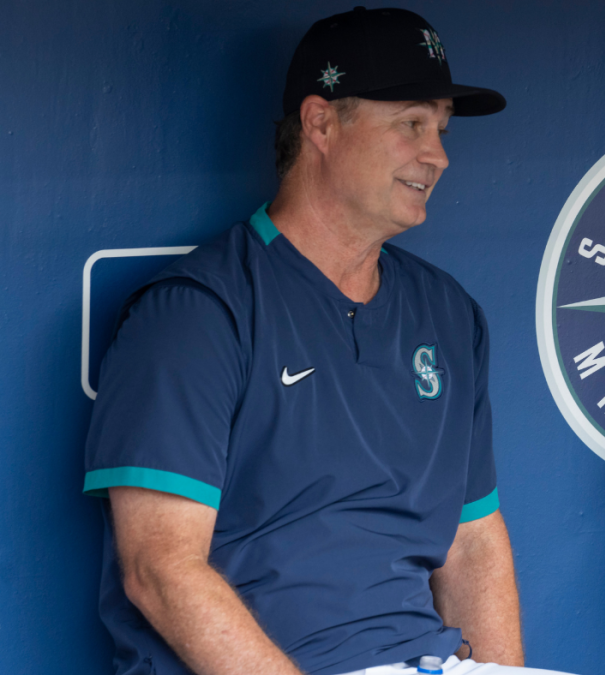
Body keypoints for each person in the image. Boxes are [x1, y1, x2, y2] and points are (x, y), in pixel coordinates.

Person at [82, 8, 568, 675]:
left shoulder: (448, 314)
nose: (438, 154)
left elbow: (472, 540)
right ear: (319, 123)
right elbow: (159, 569)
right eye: (411, 125)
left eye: (442, 130)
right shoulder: (198, 312)